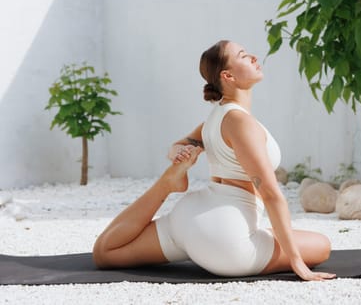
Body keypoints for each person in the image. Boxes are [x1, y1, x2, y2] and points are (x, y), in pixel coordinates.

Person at [92, 40, 336, 281]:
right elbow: (271, 194)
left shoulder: (214, 119)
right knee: (322, 245)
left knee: (106, 252)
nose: (253, 57)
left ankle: (166, 185)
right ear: (228, 76)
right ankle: (169, 184)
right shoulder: (241, 123)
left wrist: (177, 153)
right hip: (226, 240)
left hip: (188, 218)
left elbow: (178, 146)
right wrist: (296, 261)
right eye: (243, 55)